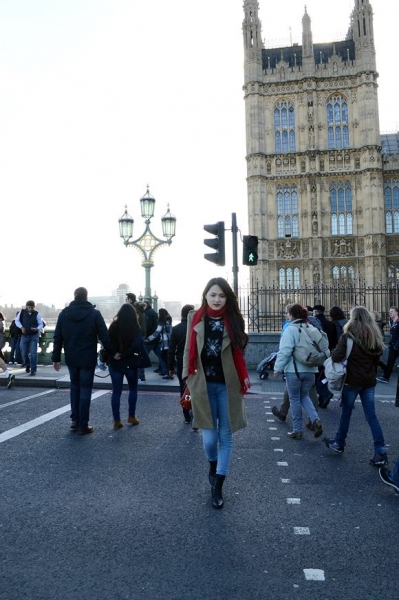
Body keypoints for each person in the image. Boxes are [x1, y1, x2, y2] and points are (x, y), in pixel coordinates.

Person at [182, 277, 250, 509]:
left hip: (228, 385)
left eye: (222, 295)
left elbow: (240, 350)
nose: (217, 299)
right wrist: (187, 377)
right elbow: (187, 349)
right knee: (209, 439)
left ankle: (218, 484)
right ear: (205, 296)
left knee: (226, 435)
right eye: (213, 295)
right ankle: (213, 464)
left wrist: (243, 374)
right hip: (202, 385)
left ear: (227, 297)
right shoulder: (195, 317)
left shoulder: (233, 320)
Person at [323, 306, 388, 466]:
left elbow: (337, 357)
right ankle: (380, 451)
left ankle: (339, 443)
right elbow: (376, 361)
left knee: (346, 413)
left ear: (353, 318)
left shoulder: (349, 336)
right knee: (371, 416)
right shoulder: (375, 336)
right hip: (369, 381)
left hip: (352, 380)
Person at [52, 287, 118, 435]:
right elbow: (104, 337)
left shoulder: (64, 314)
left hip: (71, 357)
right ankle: (83, 424)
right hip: (87, 357)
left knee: (74, 387)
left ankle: (75, 421)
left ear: (74, 296)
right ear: (86, 297)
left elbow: (57, 337)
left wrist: (56, 358)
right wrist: (113, 353)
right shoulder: (94, 314)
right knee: (85, 390)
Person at [273, 303, 323, 439]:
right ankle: (315, 419)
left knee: (294, 399)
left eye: (287, 313)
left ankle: (297, 430)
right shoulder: (311, 327)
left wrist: (277, 368)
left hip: (294, 371)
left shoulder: (290, 329)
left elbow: (285, 351)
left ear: (291, 314)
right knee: (304, 396)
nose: (286, 315)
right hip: (311, 370)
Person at [108, 303, 150, 429]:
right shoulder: (135, 327)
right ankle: (131, 416)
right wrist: (124, 355)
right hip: (130, 363)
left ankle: (117, 421)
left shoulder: (113, 326)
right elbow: (136, 345)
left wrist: (116, 354)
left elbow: (107, 342)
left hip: (115, 363)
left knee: (116, 392)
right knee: (132, 389)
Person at [168, 304, 195, 423]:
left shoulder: (176, 329)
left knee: (183, 388)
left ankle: (186, 415)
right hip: (195, 362)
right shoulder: (196, 328)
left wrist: (170, 367)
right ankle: (196, 414)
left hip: (180, 362)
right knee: (196, 389)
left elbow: (171, 349)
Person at [16, 301, 44, 376]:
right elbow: (17, 321)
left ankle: (33, 369)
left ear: (34, 307)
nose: (30, 309)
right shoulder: (22, 312)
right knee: (24, 353)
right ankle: (27, 364)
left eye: (32, 307)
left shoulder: (37, 314)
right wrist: (21, 327)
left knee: (33, 353)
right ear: (26, 306)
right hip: (24, 335)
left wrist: (37, 328)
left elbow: (41, 323)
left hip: (34, 336)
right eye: (29, 307)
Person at [145, 308, 172, 377]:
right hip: (170, 342)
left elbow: (156, 333)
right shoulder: (168, 320)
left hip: (164, 343)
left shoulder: (162, 323)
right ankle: (166, 371)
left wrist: (148, 339)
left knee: (163, 357)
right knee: (164, 357)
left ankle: (167, 373)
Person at [126, 293, 147, 381]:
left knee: (135, 354)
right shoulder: (139, 309)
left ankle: (137, 374)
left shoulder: (132, 309)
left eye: (126, 299)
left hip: (135, 334)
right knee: (139, 353)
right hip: (141, 333)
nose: (125, 300)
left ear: (130, 299)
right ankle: (140, 375)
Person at [376, 306, 399, 384]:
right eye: (389, 312)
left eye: (392, 311)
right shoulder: (391, 321)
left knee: (390, 362)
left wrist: (396, 345)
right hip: (393, 346)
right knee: (390, 362)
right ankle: (386, 377)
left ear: (397, 312)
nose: (390, 313)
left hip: (396, 345)